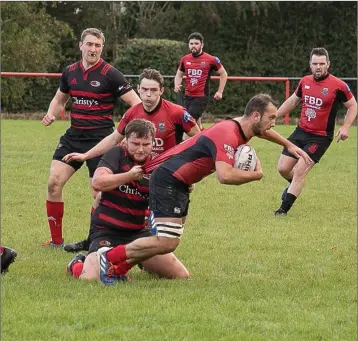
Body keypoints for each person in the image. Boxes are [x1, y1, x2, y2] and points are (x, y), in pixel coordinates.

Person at [91, 93, 313, 285]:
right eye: (271, 118)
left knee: (168, 244)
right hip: (169, 180)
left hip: (179, 182)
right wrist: (256, 175)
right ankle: (110, 258)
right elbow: (224, 176)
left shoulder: (241, 126)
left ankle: (117, 269)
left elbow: (263, 132)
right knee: (167, 241)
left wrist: (288, 145)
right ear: (256, 116)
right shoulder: (227, 133)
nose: (274, 123)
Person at [62, 68, 200, 252]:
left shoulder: (176, 113)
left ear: (161, 91)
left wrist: (188, 173)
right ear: (138, 89)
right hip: (136, 172)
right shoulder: (132, 113)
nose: (148, 94)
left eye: (153, 90)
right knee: (101, 197)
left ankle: (150, 250)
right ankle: (93, 239)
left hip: (167, 175)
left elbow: (198, 142)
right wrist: (86, 155)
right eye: (144, 90)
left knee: (175, 221)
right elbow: (114, 139)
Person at [41, 28, 141, 248]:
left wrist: (124, 132)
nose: (93, 49)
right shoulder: (70, 72)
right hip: (74, 137)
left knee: (98, 193)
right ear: (81, 45)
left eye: (97, 45)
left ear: (102, 48)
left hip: (101, 139)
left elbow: (137, 104)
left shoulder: (111, 74)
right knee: (53, 183)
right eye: (89, 44)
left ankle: (95, 240)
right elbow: (60, 99)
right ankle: (56, 241)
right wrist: (51, 113)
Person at [65, 119, 189, 284]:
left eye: (146, 144)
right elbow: (97, 183)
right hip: (106, 231)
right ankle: (77, 263)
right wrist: (128, 176)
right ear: (125, 141)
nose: (140, 149)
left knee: (180, 275)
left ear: (154, 143)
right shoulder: (116, 154)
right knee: (91, 279)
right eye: (135, 143)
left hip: (138, 233)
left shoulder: (158, 167)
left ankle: (138, 261)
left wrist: (181, 191)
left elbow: (175, 215)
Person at [274, 47, 357, 216]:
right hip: (300, 132)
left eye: (321, 63)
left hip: (320, 137)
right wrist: (274, 116)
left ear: (328, 64)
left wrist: (346, 126)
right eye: (315, 63)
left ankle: (283, 209)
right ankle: (294, 186)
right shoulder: (304, 81)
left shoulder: (338, 86)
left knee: (299, 171)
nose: (318, 67)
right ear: (310, 65)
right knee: (283, 168)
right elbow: (293, 101)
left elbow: (353, 105)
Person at [174, 32, 228, 131]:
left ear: (202, 45)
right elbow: (179, 75)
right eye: (191, 44)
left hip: (201, 97)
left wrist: (220, 91)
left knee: (188, 122)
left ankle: (185, 144)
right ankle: (203, 137)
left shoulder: (211, 60)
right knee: (196, 123)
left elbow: (223, 74)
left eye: (196, 43)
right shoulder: (185, 59)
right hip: (187, 96)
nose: (193, 46)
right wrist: (177, 84)